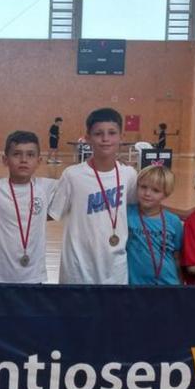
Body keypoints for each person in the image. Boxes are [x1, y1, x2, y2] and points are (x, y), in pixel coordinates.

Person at [50, 108, 138, 284]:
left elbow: (142, 209)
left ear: (121, 136)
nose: (105, 139)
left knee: (113, 312)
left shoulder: (129, 174)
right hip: (78, 268)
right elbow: (52, 214)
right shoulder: (72, 175)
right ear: (87, 138)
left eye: (112, 133)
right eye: (98, 133)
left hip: (115, 267)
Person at [0, 131, 62, 284]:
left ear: (39, 161)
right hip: (0, 278)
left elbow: (78, 191)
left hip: (35, 277)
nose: (24, 160)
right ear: (5, 159)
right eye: (17, 154)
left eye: (30, 155)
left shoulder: (47, 188)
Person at [127, 165, 183, 285]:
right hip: (135, 287)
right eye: (143, 187)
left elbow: (177, 258)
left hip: (168, 284)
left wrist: (181, 287)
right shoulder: (126, 214)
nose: (147, 193)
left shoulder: (174, 221)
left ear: (166, 194)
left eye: (155, 190)